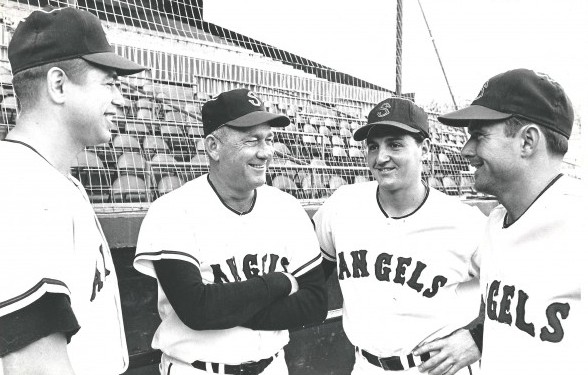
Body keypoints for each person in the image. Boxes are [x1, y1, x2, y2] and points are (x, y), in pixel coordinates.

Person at [133, 88, 328, 375]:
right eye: (252, 140)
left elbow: (315, 303)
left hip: (272, 366)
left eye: (269, 139)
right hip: (198, 369)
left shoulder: (286, 207)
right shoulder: (172, 211)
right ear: (213, 147)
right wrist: (279, 283)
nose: (266, 152)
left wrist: (228, 308)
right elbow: (197, 310)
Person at [0, 7, 146, 375]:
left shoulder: (52, 181)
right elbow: (32, 366)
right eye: (109, 82)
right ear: (59, 85)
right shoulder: (18, 187)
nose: (121, 98)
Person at [421, 68, 582, 374]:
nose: (466, 149)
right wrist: (478, 338)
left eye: (479, 135)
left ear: (527, 141)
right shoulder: (496, 221)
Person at [313, 97, 486, 375]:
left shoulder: (464, 222)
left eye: (395, 144)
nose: (381, 158)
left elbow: (529, 290)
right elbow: (311, 277)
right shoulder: (341, 206)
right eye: (373, 146)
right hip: (365, 365)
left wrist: (479, 339)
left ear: (425, 148)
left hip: (434, 368)